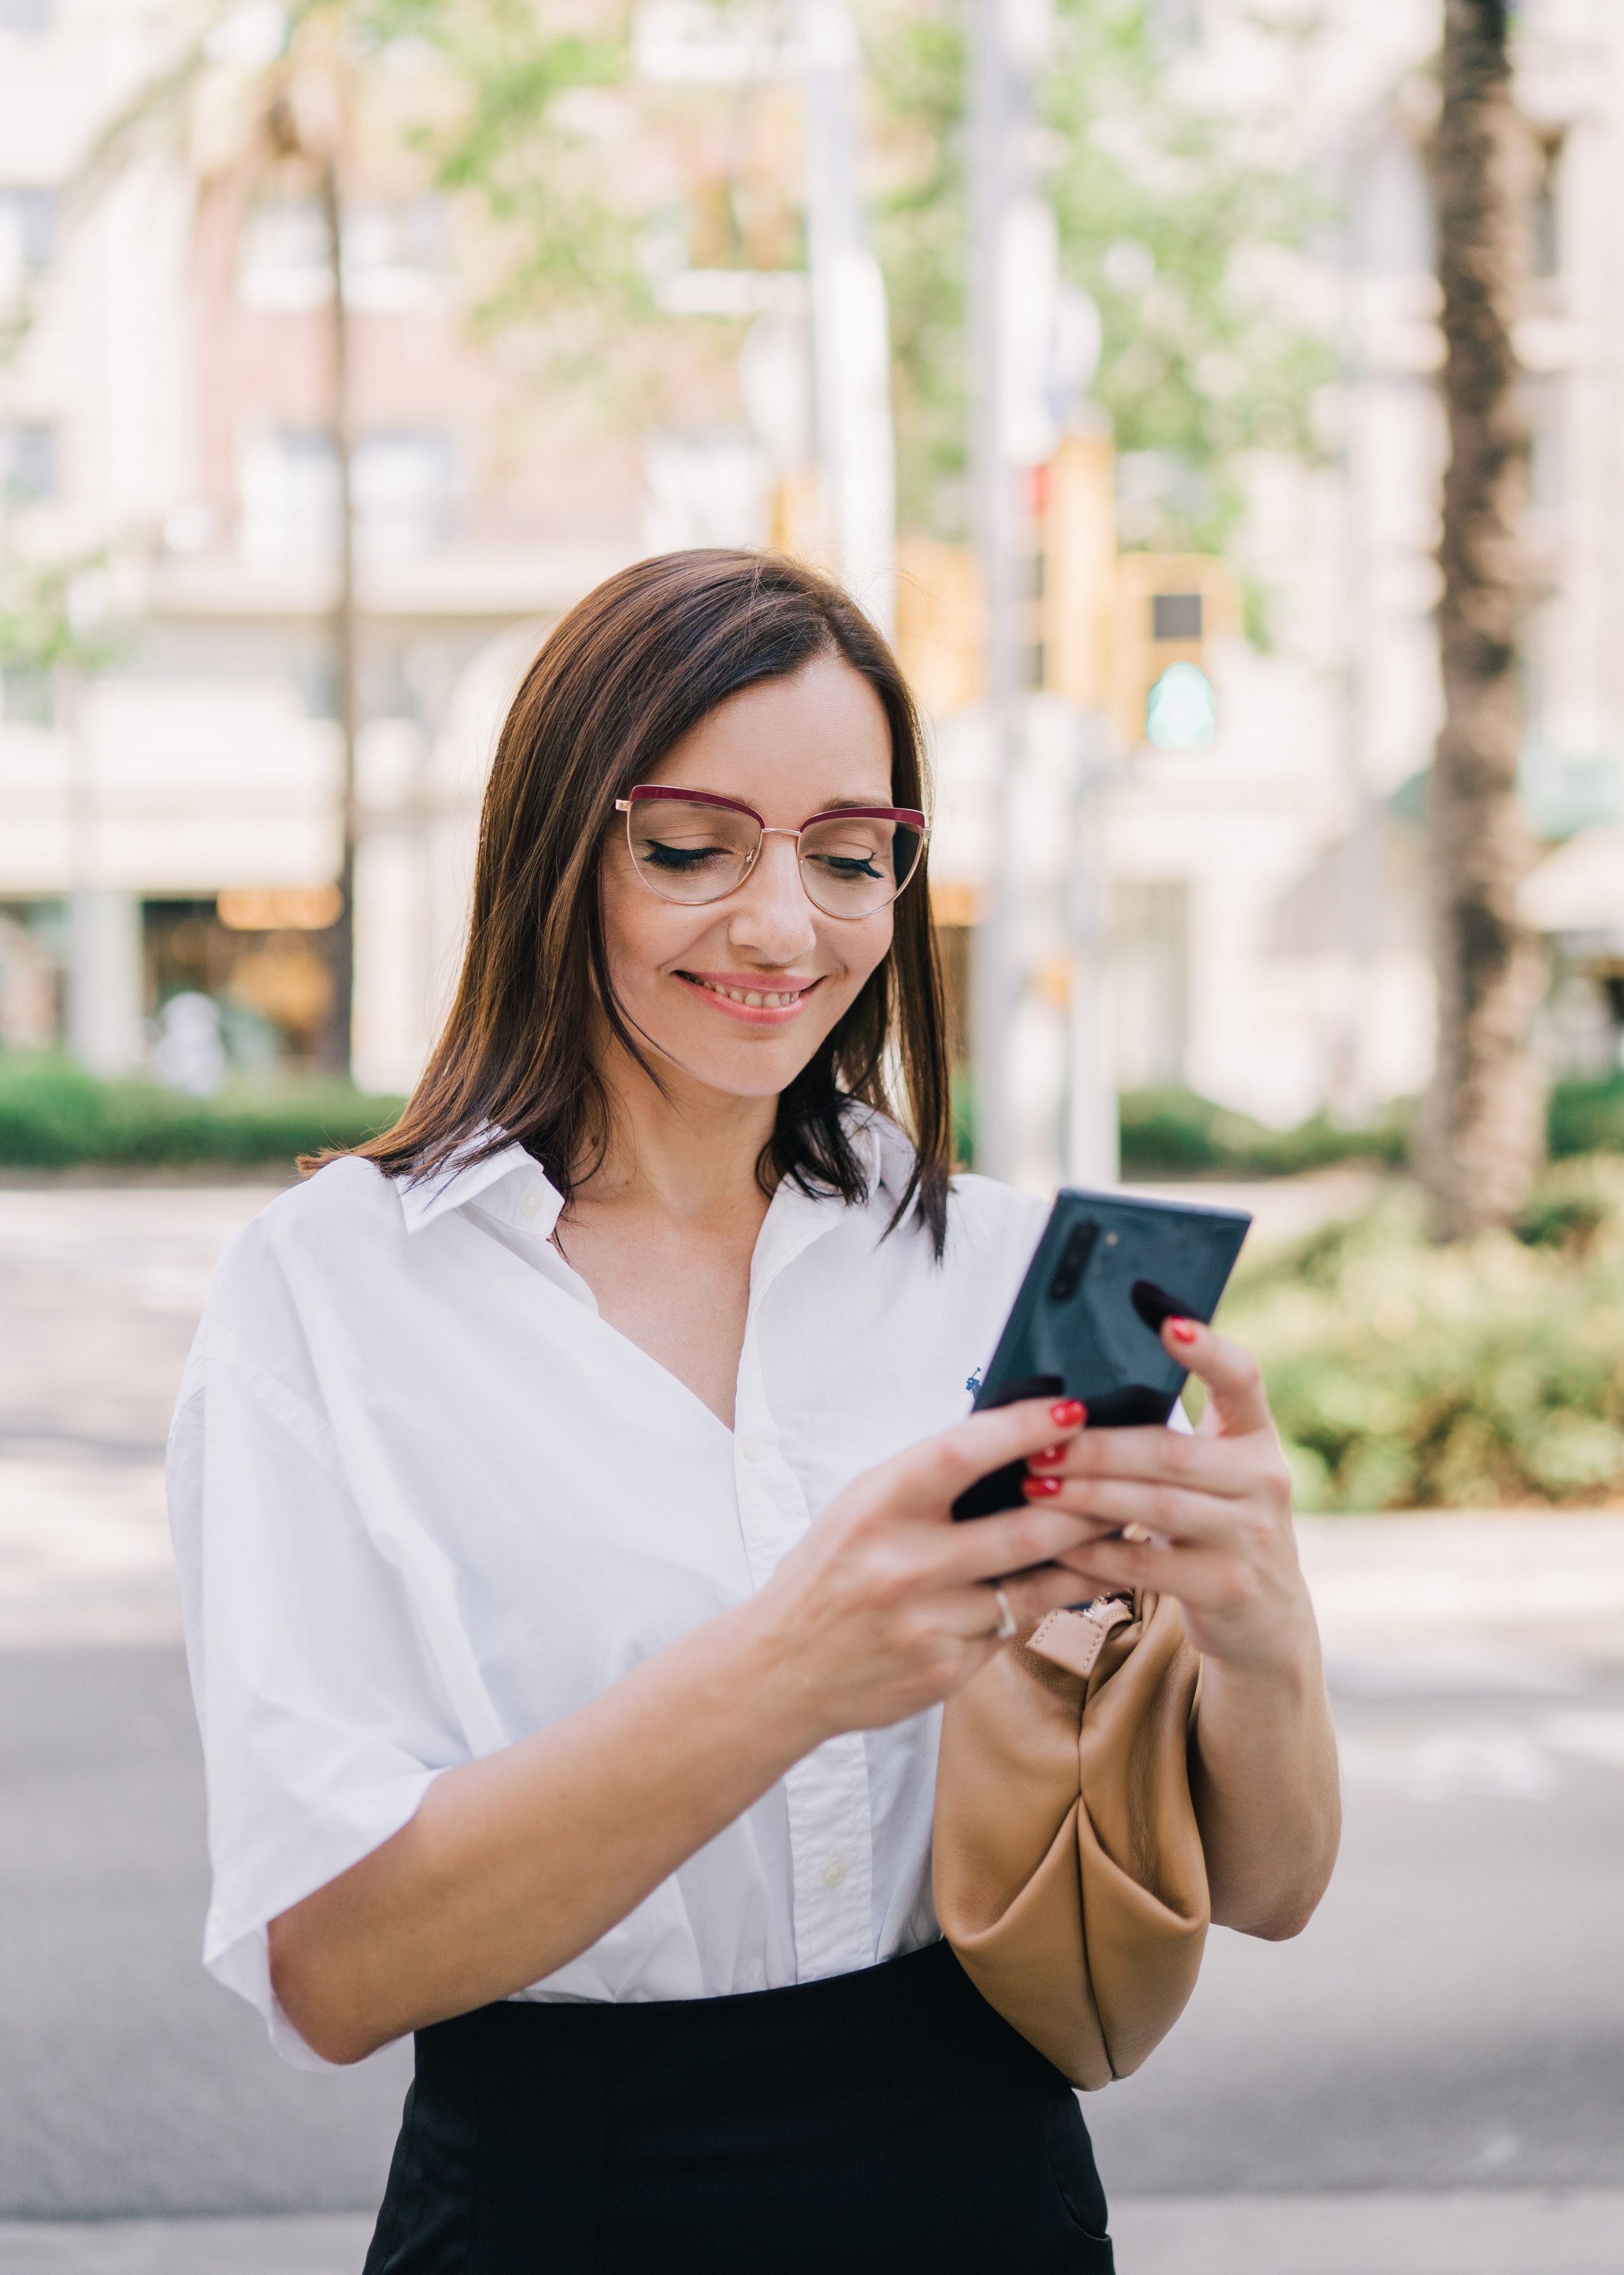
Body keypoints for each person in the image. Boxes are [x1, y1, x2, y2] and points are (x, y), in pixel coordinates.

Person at [168, 549, 1340, 2275]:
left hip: (990, 2189)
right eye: (692, 848)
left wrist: (1257, 1623)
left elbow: (1273, 1886)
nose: (785, 927)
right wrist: (795, 1666)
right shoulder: (331, 1295)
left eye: (850, 855)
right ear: (560, 850)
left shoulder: (1002, 1270)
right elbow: (334, 1972)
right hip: (564, 2200)